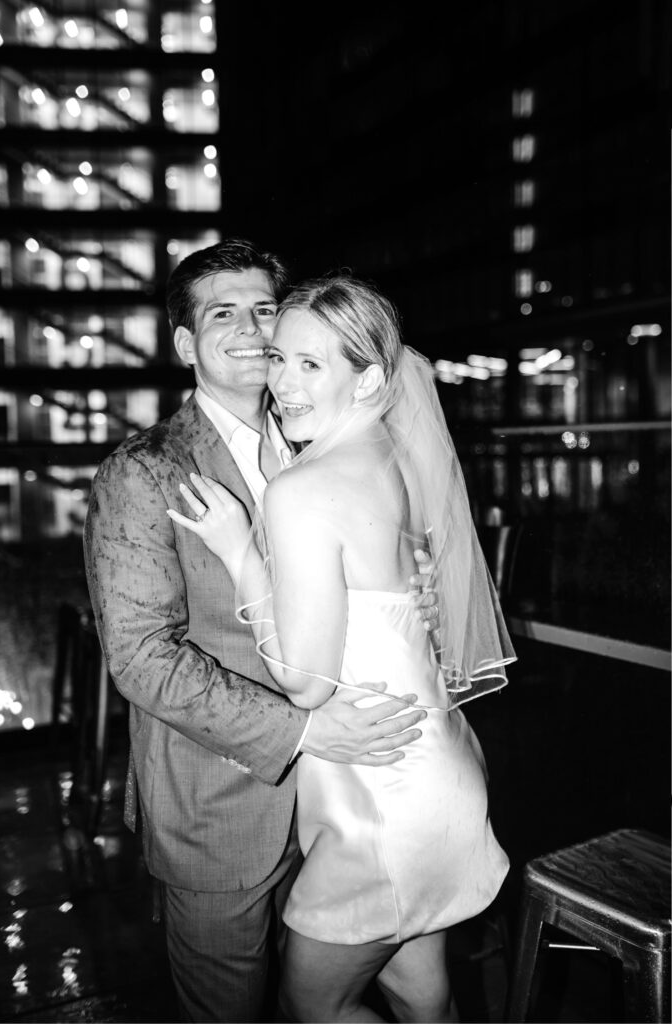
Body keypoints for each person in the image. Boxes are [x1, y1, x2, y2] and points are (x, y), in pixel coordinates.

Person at [83, 240, 434, 1024]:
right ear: (185, 343)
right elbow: (142, 660)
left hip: (350, 800)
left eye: (265, 310)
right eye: (220, 314)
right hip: (219, 812)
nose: (248, 328)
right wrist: (305, 730)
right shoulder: (142, 472)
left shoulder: (329, 436)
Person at [169, 273, 517, 1022]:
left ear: (368, 380)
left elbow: (305, 685)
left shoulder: (303, 490)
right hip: (434, 772)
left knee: (313, 1008)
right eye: (280, 359)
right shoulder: (392, 459)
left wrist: (240, 555)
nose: (281, 384)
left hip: (382, 804)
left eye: (309, 365)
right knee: (421, 992)